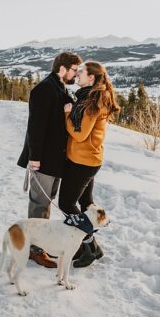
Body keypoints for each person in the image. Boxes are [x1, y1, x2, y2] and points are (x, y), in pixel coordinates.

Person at [16, 51, 82, 268]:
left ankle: (40, 246)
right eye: (74, 70)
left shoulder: (60, 88)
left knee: (46, 203)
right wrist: (34, 159)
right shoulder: (43, 90)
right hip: (42, 159)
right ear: (62, 69)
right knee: (39, 204)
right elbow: (36, 128)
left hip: (55, 160)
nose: (76, 74)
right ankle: (34, 250)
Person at [61, 61, 119, 267]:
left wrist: (68, 114)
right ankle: (85, 248)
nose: (78, 75)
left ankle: (91, 247)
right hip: (86, 158)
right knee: (86, 205)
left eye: (82, 73)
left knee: (66, 203)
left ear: (92, 78)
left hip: (83, 161)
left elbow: (80, 134)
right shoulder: (90, 96)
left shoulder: (94, 102)